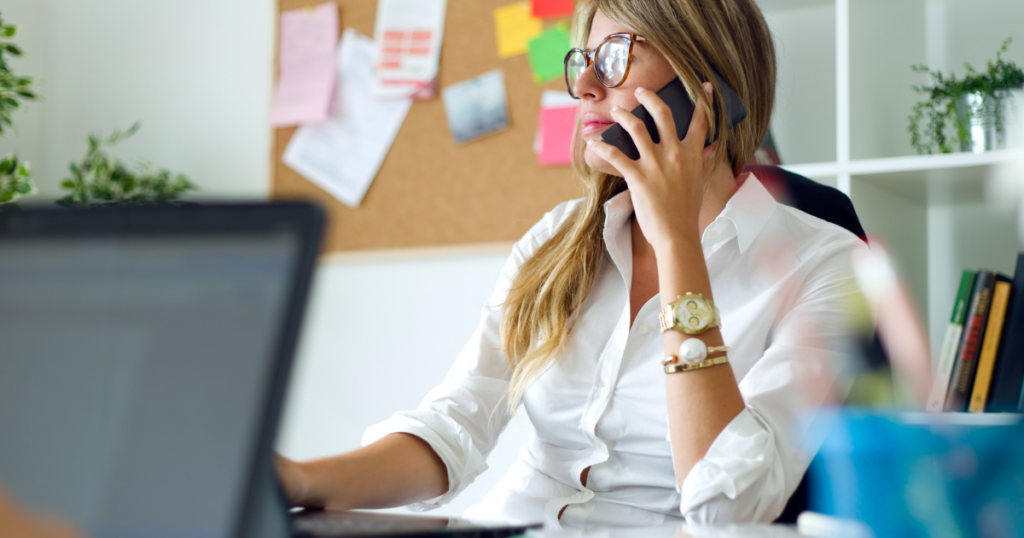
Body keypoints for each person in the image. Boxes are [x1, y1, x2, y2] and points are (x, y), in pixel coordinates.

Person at [277, 0, 867, 527]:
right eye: (582, 58)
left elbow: (726, 508)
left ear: (704, 86)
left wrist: (678, 244)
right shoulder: (559, 237)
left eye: (613, 57)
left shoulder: (827, 266)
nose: (583, 84)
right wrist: (298, 482)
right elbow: (457, 422)